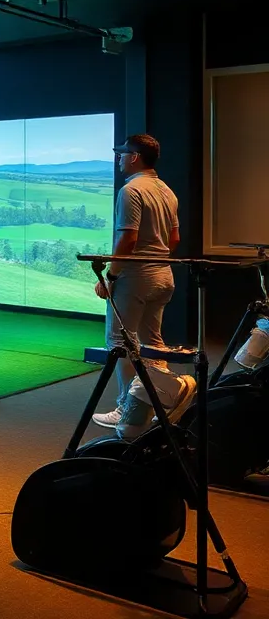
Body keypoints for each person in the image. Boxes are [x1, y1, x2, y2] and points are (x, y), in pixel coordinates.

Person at [92, 134, 196, 440]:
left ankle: (128, 408)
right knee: (152, 342)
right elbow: (174, 240)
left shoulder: (131, 190)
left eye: (123, 155)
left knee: (119, 342)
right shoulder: (167, 191)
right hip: (163, 274)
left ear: (135, 157)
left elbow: (128, 239)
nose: (119, 159)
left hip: (136, 277)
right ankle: (158, 402)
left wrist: (111, 277)